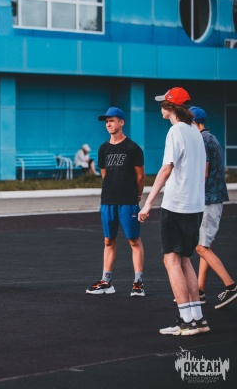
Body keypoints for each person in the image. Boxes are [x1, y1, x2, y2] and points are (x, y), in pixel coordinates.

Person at [138, 87, 209, 336]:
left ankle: (186, 321)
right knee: (184, 259)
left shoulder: (176, 131)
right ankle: (197, 318)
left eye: (163, 104)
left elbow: (166, 169)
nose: (160, 107)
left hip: (177, 205)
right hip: (195, 207)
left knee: (171, 260)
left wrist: (148, 202)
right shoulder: (195, 132)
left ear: (170, 107)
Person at [86, 107, 146, 297]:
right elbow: (105, 175)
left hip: (128, 201)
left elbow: (141, 176)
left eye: (112, 120)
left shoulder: (133, 148)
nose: (108, 124)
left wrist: (137, 196)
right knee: (108, 240)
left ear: (122, 122)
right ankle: (106, 281)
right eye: (107, 122)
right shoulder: (103, 149)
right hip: (108, 201)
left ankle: (138, 283)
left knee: (134, 240)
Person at [190, 106, 236, 309]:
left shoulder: (202, 140)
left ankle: (231, 286)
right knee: (204, 246)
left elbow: (204, 172)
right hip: (213, 198)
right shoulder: (212, 138)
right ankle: (199, 291)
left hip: (209, 199)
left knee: (201, 247)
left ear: (193, 122)